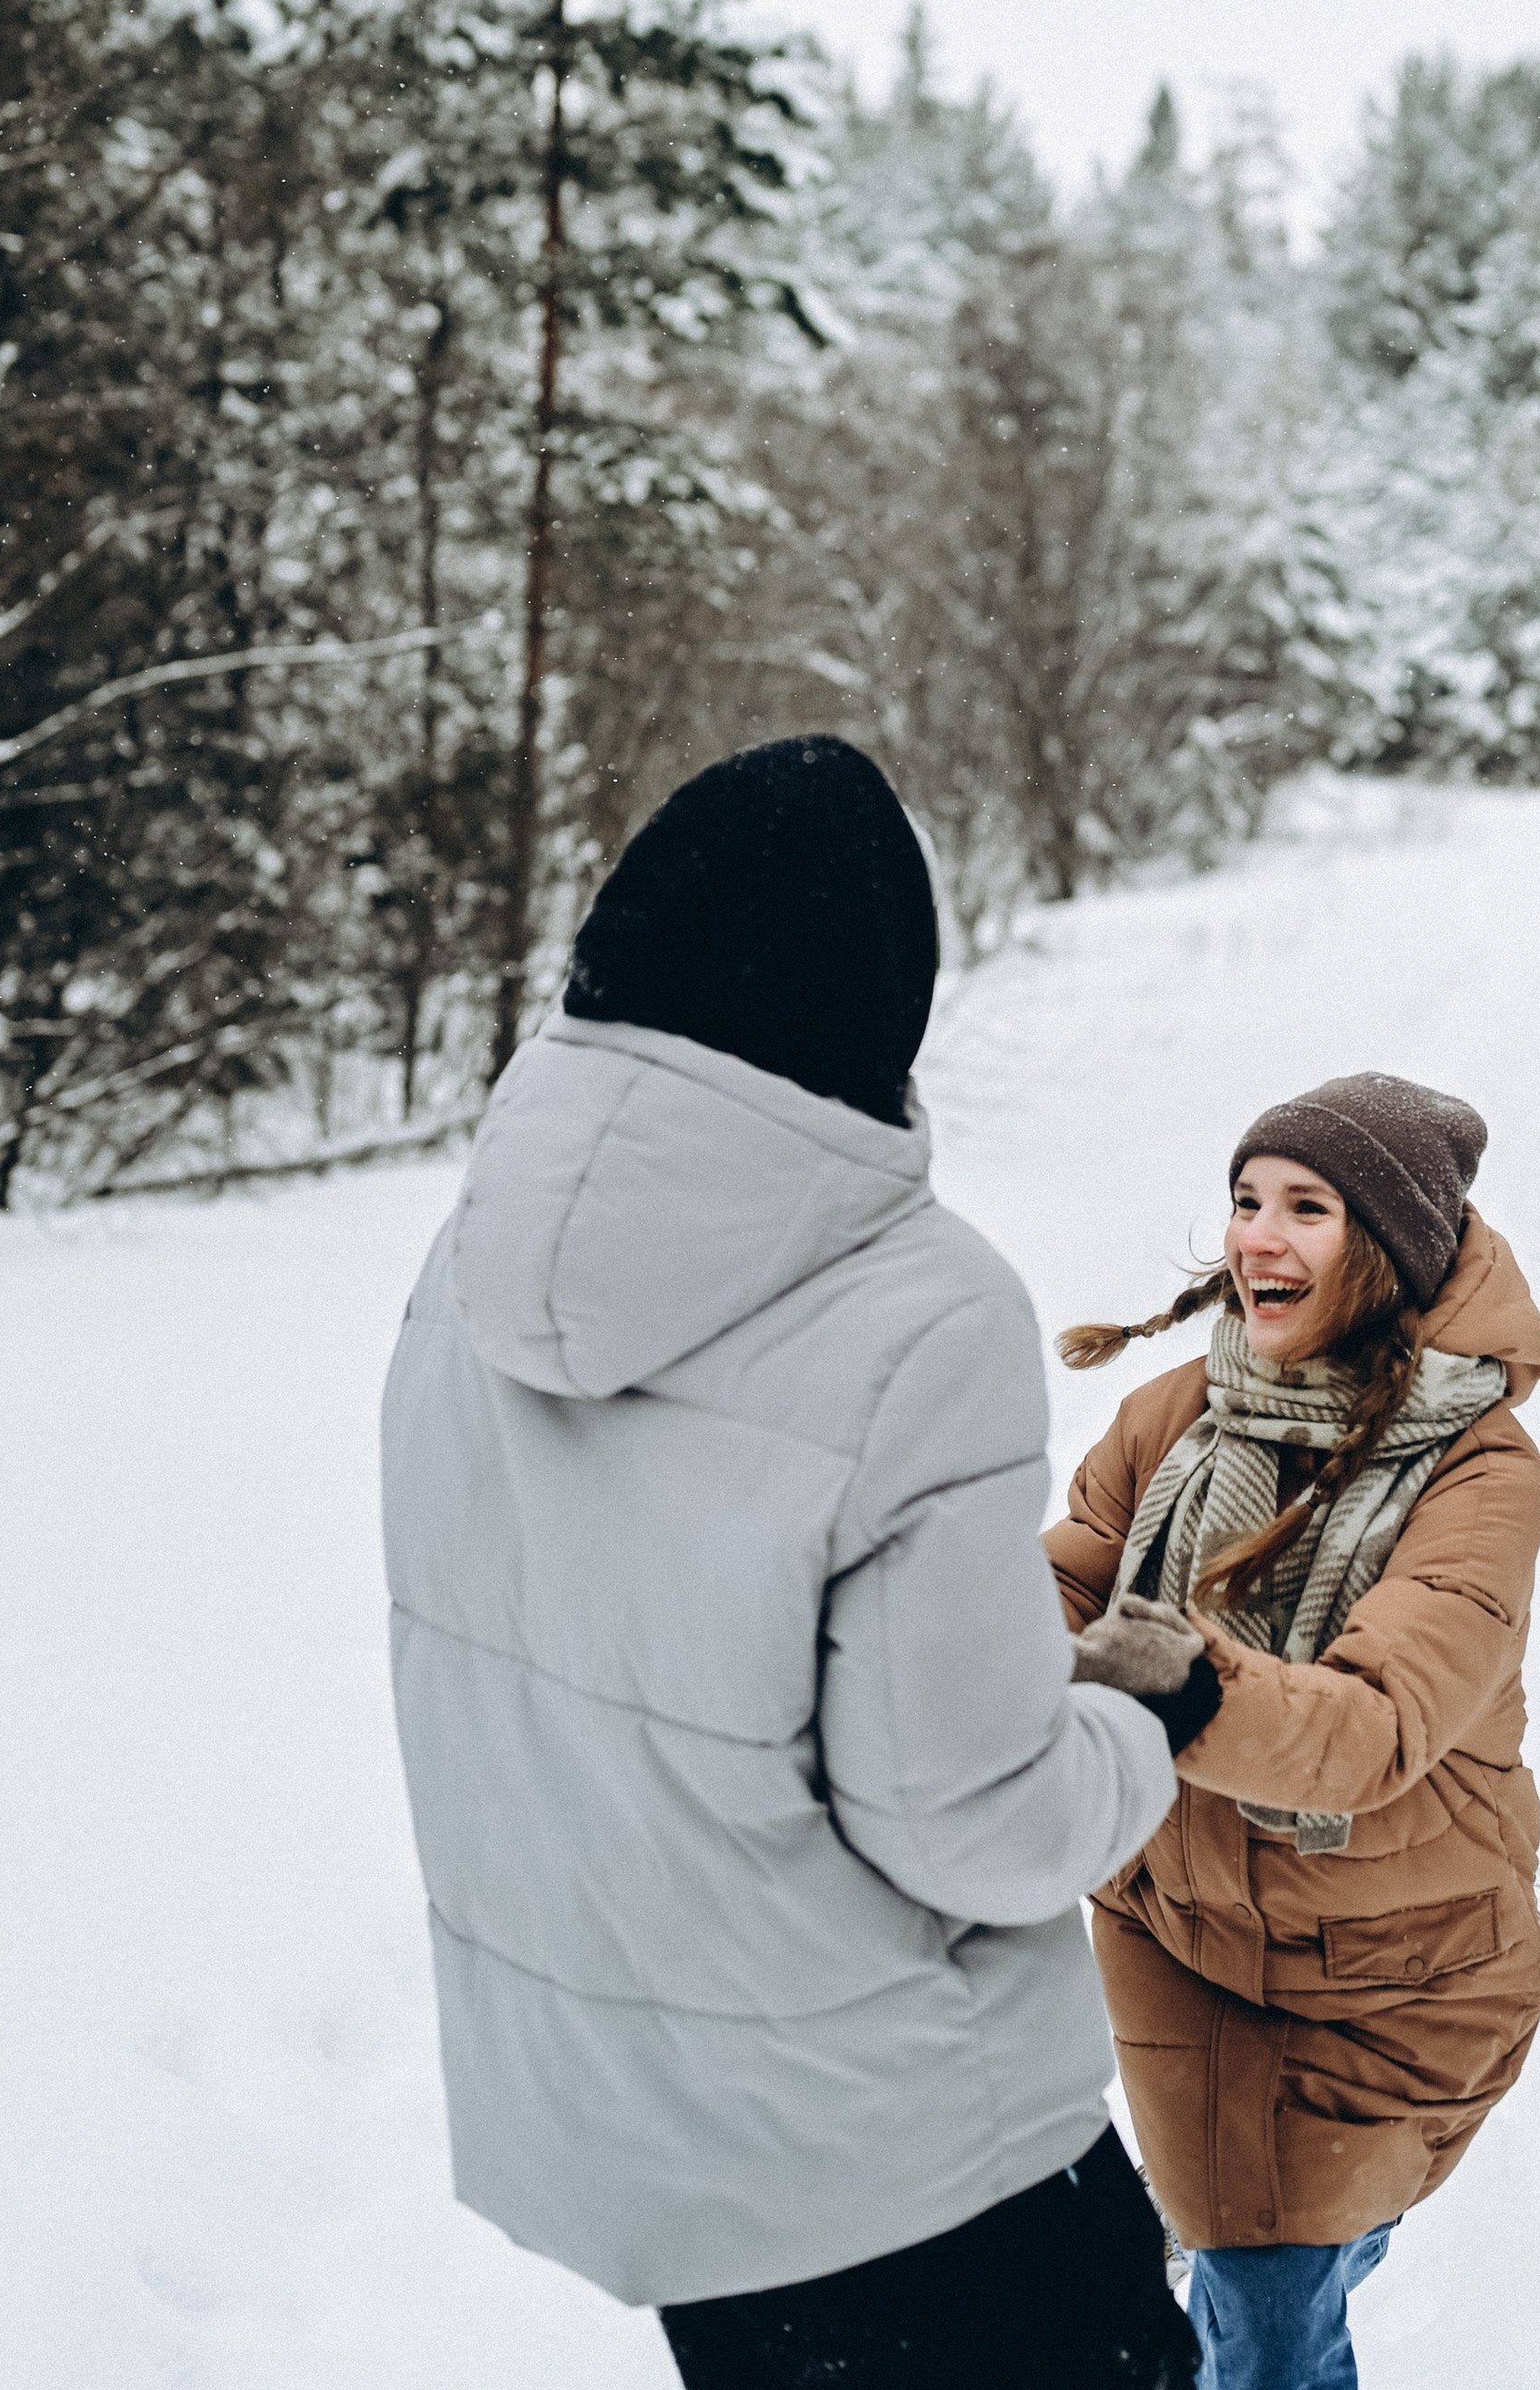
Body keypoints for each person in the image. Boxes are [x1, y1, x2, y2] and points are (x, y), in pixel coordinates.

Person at [381, 734, 1205, 2387]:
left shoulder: (472, 1265)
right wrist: (1138, 1722)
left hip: (672, 2183)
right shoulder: (919, 1312)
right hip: (920, 2175)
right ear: (879, 1008)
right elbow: (968, 1821)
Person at [1047, 1074, 1540, 2390]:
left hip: (1397, 1966)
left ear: (1384, 1250)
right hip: (1180, 1934)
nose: (1255, 1239)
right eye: (1245, 1201)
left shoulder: (1481, 1474)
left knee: (1282, 2292)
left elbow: (1382, 1723)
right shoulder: (1173, 1417)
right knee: (1258, 2294)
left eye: (1307, 1209)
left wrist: (1181, 1682)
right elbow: (1065, 1583)